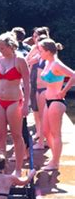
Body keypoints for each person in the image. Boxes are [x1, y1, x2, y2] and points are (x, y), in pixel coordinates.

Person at [0, 32, 30, 176]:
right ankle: (0, 168)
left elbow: (27, 82)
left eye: (2, 48)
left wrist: (26, 104)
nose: (0, 50)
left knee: (16, 135)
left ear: (10, 46)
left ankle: (18, 169)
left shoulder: (20, 60)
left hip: (14, 100)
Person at [38, 39, 75, 171]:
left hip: (56, 102)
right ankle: (54, 158)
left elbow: (73, 75)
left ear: (48, 51)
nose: (39, 53)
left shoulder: (57, 64)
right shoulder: (48, 62)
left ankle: (55, 162)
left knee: (56, 134)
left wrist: (63, 91)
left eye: (41, 51)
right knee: (45, 131)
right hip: (49, 101)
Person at [26, 31, 50, 148]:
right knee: (40, 115)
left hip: (45, 89)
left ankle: (43, 142)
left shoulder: (50, 59)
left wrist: (62, 90)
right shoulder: (39, 56)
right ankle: (42, 140)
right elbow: (27, 60)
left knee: (44, 116)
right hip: (38, 88)